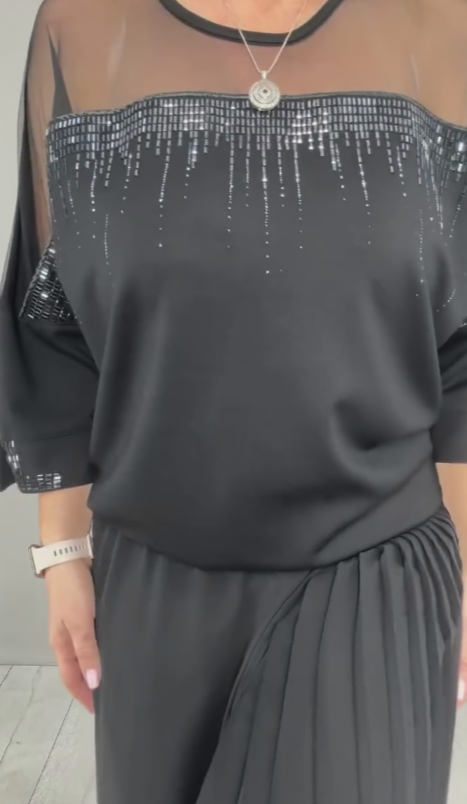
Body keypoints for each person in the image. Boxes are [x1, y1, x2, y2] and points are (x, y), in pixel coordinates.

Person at [1, 0, 466, 801]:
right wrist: (63, 554)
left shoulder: (440, 28)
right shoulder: (80, 29)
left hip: (369, 576)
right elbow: (54, 322)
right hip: (148, 589)